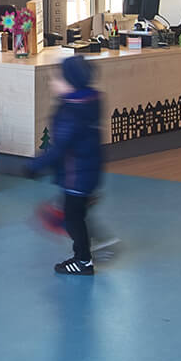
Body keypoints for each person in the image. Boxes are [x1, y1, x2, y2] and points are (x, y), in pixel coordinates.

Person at [27, 54, 115, 275]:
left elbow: (59, 149)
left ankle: (83, 260)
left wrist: (35, 166)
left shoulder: (70, 112)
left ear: (70, 82)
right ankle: (98, 244)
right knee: (76, 213)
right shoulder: (90, 102)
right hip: (89, 171)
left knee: (73, 218)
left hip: (76, 175)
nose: (52, 82)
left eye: (57, 78)